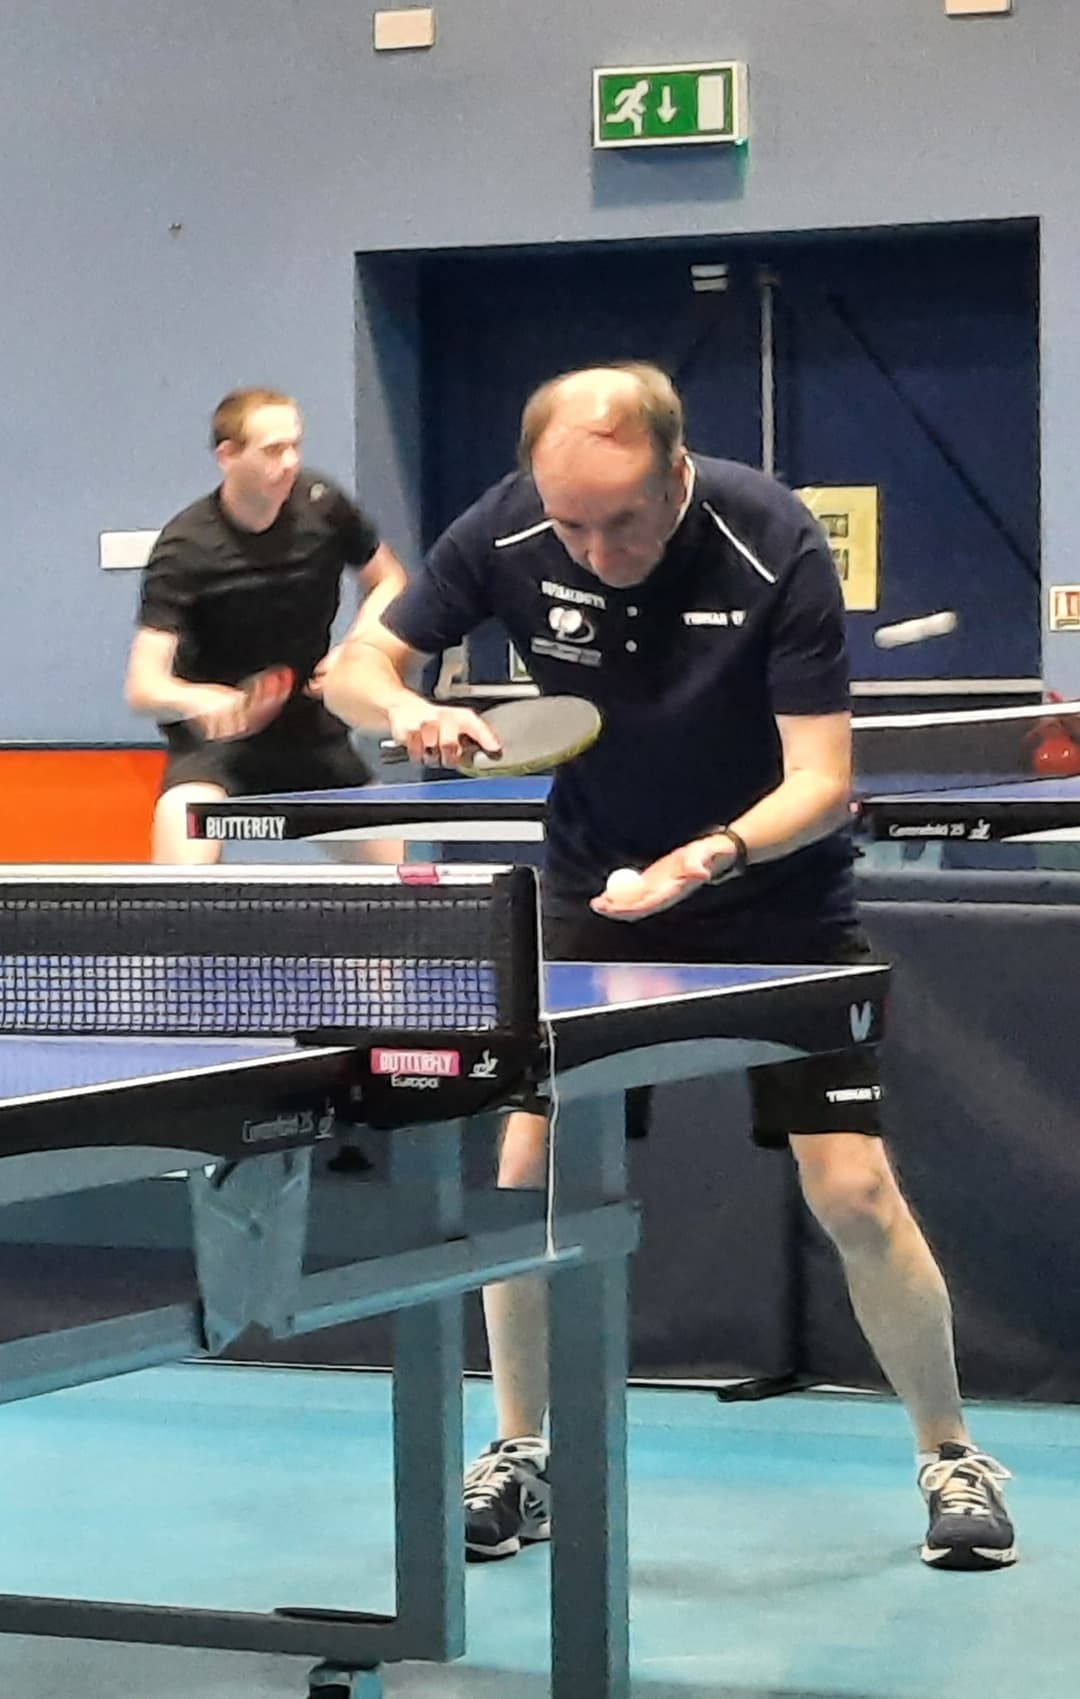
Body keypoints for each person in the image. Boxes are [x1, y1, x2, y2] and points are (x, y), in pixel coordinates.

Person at [323, 362, 1016, 1573]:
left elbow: (822, 781)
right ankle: (521, 1453)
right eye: (572, 524)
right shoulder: (508, 526)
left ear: (679, 471)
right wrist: (407, 713)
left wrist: (712, 856)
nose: (593, 550)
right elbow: (356, 666)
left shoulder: (772, 541)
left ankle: (951, 1454)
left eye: (624, 519)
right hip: (593, 895)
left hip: (776, 899)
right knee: (526, 1170)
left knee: (852, 1190)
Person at [124, 387, 407, 863]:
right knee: (179, 830)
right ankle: (175, 935)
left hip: (312, 733)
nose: (291, 462)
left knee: (401, 877)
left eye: (295, 445)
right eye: (273, 450)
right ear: (227, 456)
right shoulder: (185, 547)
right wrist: (196, 697)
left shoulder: (324, 507)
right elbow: (143, 685)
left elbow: (390, 580)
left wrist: (357, 650)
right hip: (219, 744)